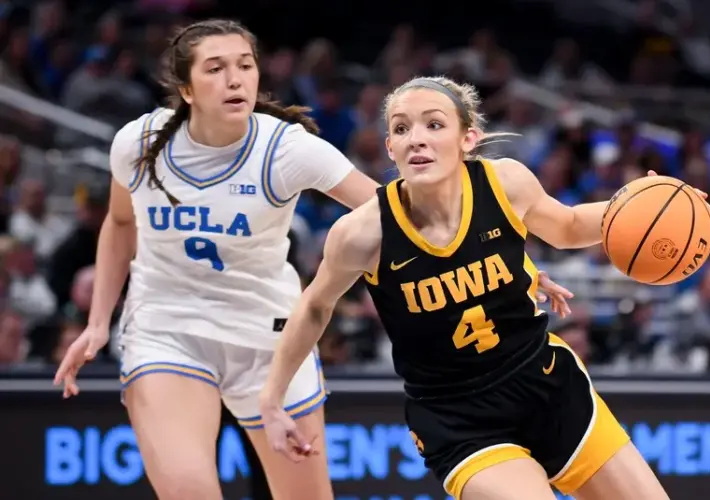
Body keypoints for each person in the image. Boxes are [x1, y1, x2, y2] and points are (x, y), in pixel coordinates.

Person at [51, 20, 573, 500]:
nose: (235, 79)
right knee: (189, 489)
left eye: (245, 65)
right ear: (186, 90)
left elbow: (403, 219)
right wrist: (99, 323)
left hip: (270, 334)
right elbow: (121, 225)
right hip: (169, 327)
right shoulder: (137, 143)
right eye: (216, 69)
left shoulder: (287, 148)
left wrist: (513, 265)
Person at [258, 76, 705, 500]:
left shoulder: (504, 181)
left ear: (467, 138)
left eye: (434, 124)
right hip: (459, 418)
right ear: (390, 146)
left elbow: (567, 226)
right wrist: (273, 396)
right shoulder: (361, 233)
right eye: (401, 128)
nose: (417, 137)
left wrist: (637, 206)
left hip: (545, 384)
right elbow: (315, 307)